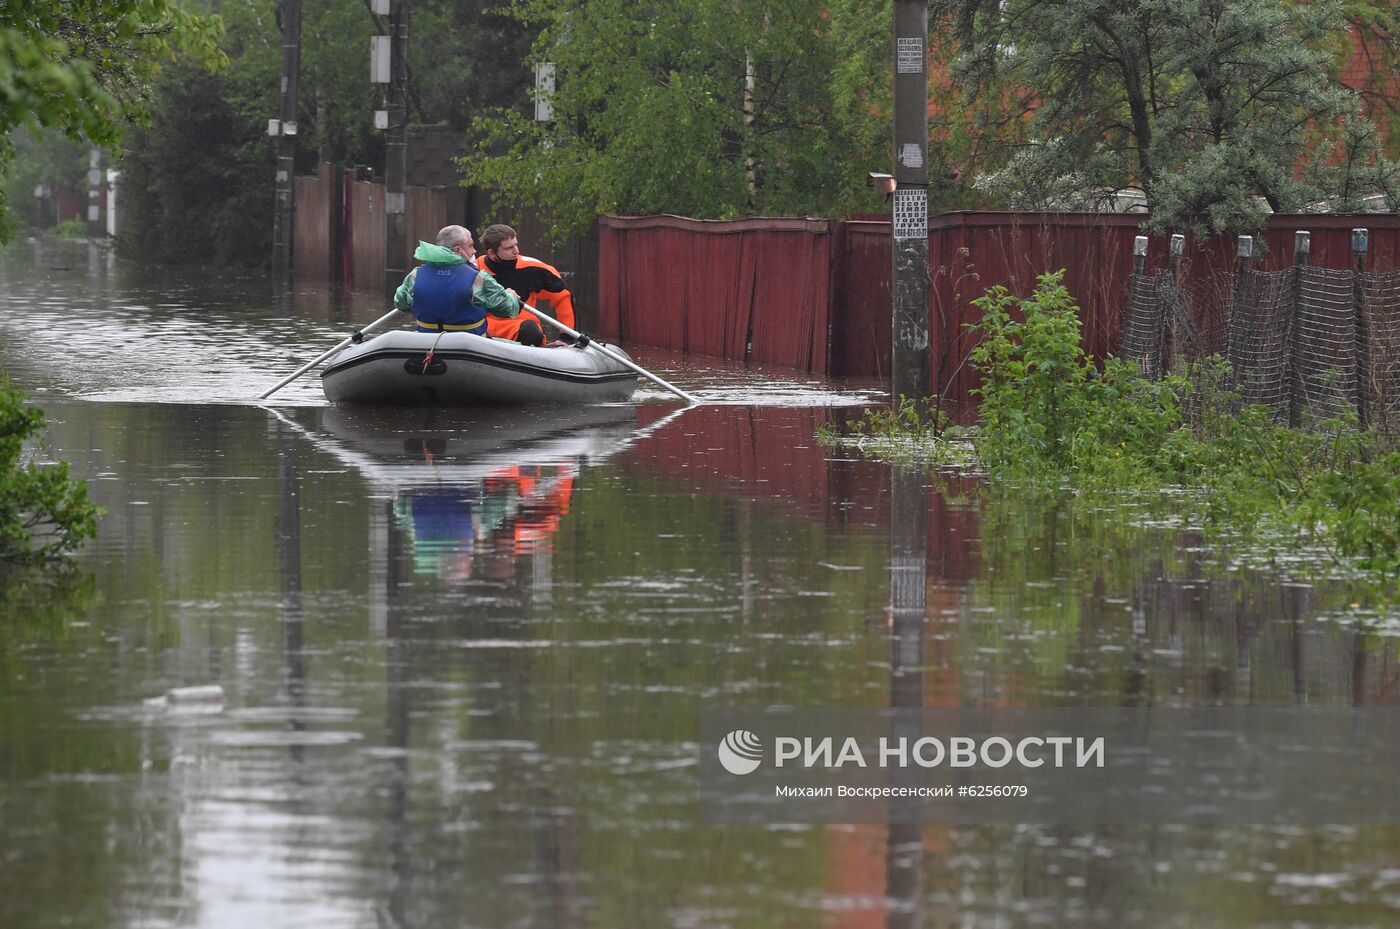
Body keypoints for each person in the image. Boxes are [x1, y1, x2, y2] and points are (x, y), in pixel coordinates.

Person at [394, 225, 521, 334]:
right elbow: (507, 309)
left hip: (427, 341)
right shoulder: (478, 278)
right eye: (471, 246)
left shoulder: (415, 275)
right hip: (470, 345)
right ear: (458, 250)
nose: (474, 250)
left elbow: (401, 304)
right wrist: (512, 297)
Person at [476, 223, 577, 347]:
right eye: (509, 248)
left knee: (532, 332)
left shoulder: (533, 268)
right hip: (484, 327)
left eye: (516, 245)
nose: (516, 251)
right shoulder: (474, 270)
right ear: (491, 253)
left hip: (520, 327)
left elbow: (563, 297)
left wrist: (566, 338)